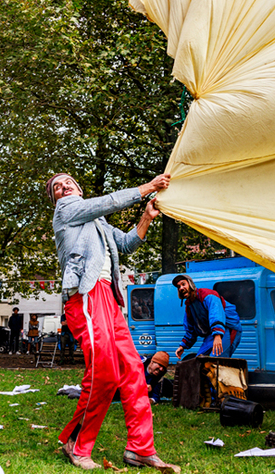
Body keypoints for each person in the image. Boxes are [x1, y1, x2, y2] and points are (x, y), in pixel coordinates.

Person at [48, 172, 179, 472]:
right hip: (86, 296)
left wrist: (146, 217)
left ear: (79, 188)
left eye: (68, 182)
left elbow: (127, 244)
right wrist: (148, 187)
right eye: (57, 187)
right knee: (104, 372)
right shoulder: (66, 211)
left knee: (134, 370)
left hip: (109, 297)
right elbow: (107, 202)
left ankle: (140, 449)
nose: (64, 187)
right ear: (55, 199)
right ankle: (76, 443)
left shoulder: (98, 222)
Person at [173, 274, 242, 360]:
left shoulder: (207, 295)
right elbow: (191, 330)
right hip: (212, 333)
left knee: (215, 361)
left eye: (183, 284)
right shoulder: (189, 306)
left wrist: (218, 336)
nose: (181, 288)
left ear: (190, 284)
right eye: (178, 287)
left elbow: (216, 314)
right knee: (199, 360)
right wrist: (182, 346)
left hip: (228, 328)